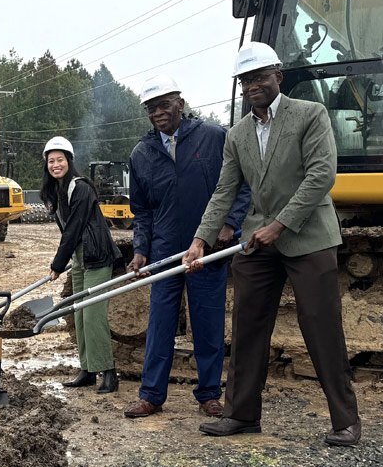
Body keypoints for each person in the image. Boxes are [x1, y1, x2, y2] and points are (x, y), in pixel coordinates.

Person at [184, 42, 361, 446]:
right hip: (258, 242)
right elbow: (224, 192)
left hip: (308, 236)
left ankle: (345, 420)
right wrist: (200, 240)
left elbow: (321, 176)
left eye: (260, 77)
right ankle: (241, 415)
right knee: (246, 326)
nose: (253, 86)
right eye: (246, 80)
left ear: (277, 77)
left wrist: (280, 224)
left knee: (320, 326)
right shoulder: (238, 134)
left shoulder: (309, 115)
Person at [123, 74, 250, 420]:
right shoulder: (142, 154)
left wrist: (231, 223)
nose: (158, 113)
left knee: (207, 322)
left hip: (208, 246)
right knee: (160, 323)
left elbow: (241, 184)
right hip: (166, 250)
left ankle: (209, 394)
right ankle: (151, 395)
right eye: (151, 108)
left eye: (164, 104)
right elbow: (142, 211)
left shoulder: (213, 137)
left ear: (180, 102)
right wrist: (140, 250)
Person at [42, 136, 122, 394]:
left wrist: (57, 263)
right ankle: (87, 370)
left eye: (60, 160)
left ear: (69, 161)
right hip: (80, 256)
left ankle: (109, 373)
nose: (55, 165)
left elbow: (74, 229)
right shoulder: (56, 190)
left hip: (96, 255)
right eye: (51, 161)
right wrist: (67, 259)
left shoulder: (81, 188)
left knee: (93, 314)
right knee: (79, 314)